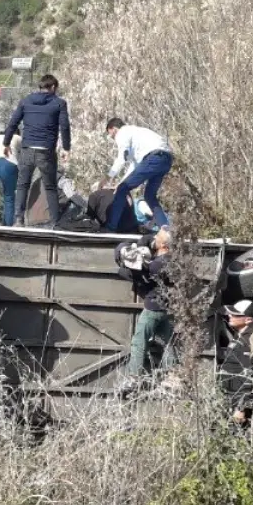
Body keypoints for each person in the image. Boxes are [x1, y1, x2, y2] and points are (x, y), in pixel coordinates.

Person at [3, 74, 71, 227]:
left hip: (27, 149)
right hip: (46, 151)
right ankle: (55, 222)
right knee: (50, 187)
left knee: (22, 185)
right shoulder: (59, 103)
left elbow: (13, 123)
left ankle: (18, 220)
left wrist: (6, 142)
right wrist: (66, 148)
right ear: (53, 87)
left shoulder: (26, 101)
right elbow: (65, 126)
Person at [116, 228, 176, 392]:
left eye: (158, 237)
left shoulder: (156, 264)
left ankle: (134, 377)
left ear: (163, 244)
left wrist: (124, 258)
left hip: (152, 308)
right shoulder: (173, 260)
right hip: (167, 308)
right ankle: (173, 376)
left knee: (139, 341)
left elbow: (132, 271)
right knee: (167, 342)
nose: (154, 238)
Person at [104, 118, 173, 233]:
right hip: (166, 159)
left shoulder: (123, 133)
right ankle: (165, 228)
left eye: (111, 135)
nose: (112, 138)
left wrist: (108, 177)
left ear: (113, 129)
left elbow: (122, 157)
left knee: (122, 190)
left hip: (153, 158)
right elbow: (134, 166)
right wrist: (120, 183)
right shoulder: (137, 134)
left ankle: (111, 227)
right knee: (149, 196)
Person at [218, 300, 253, 429]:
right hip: (230, 395)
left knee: (236, 435)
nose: (230, 315)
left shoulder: (250, 339)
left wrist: (241, 408)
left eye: (236, 314)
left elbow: (249, 375)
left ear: (248, 320)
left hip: (238, 399)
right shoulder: (240, 335)